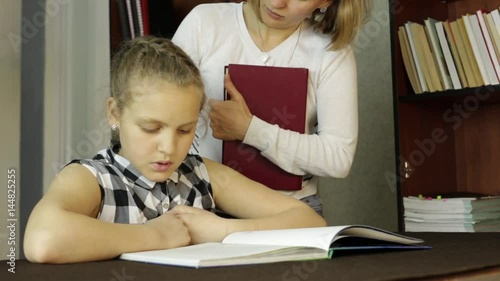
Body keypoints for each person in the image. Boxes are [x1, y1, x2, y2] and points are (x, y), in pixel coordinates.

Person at [23, 37, 326, 264]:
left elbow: (309, 220)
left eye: (184, 130)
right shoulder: (91, 178)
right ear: (115, 113)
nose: (169, 148)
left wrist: (221, 230)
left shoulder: (202, 175)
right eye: (151, 128)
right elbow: (42, 240)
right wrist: (157, 235)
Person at [172, 0, 370, 215]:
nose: (277, 3)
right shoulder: (204, 22)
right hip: (201, 205)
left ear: (325, 2)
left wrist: (250, 130)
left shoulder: (331, 51)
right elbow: (159, 113)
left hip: (288, 213)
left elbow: (338, 158)